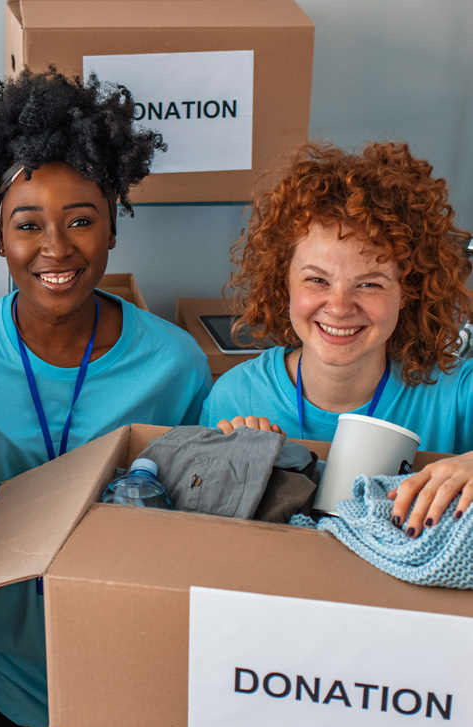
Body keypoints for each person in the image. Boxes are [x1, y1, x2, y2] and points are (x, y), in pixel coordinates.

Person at [0, 68, 211, 727]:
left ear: (113, 228)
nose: (55, 247)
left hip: (137, 664)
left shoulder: (175, 365)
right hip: (6, 676)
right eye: (28, 224)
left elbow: (183, 536)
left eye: (81, 220)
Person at [201, 141, 473, 537]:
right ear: (283, 282)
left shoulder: (454, 393)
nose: (340, 306)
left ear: (408, 291)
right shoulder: (235, 396)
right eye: (317, 280)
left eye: (369, 284)